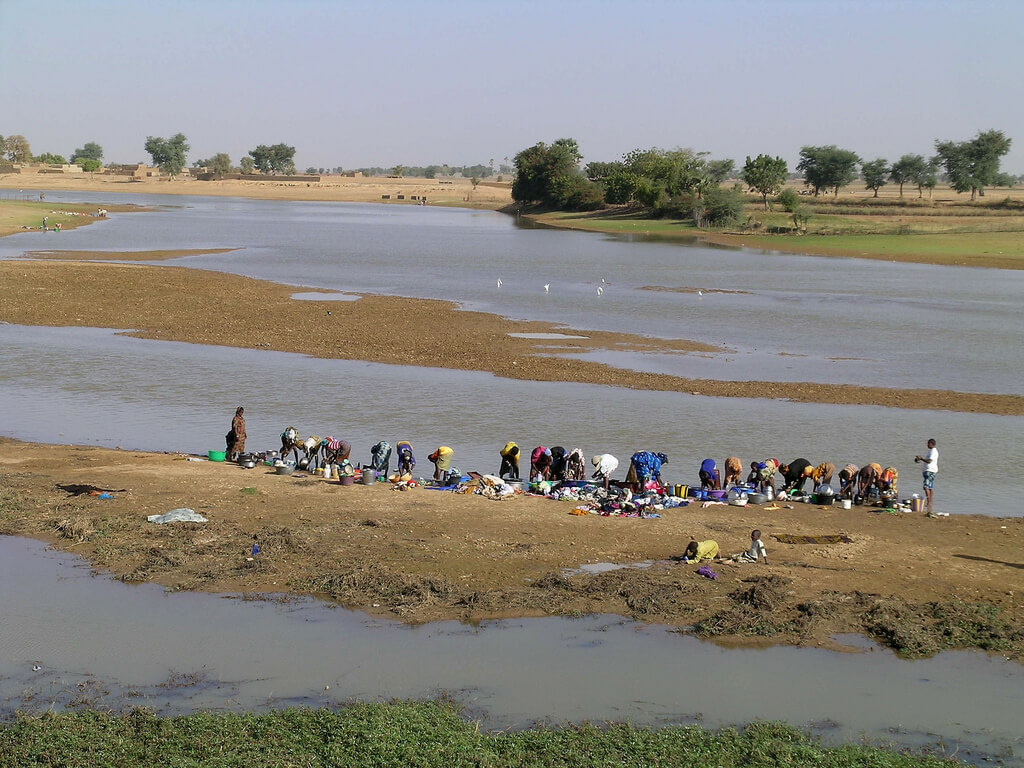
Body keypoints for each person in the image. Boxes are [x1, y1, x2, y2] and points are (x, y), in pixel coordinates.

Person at [914, 439, 938, 514]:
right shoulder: (931, 451)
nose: (927, 445)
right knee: (929, 486)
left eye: (928, 444)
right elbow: (927, 460)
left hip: (930, 470)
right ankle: (930, 502)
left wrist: (921, 458)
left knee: (926, 486)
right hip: (929, 470)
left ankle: (929, 502)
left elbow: (929, 461)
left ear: (931, 444)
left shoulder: (933, 451)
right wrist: (919, 460)